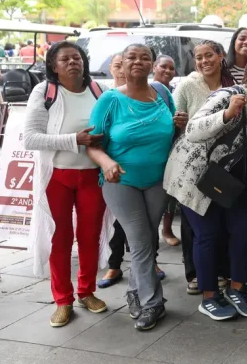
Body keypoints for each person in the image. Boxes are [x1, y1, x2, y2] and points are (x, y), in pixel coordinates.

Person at [164, 52, 247, 321]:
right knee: (208, 234)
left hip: (232, 184)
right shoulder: (228, 95)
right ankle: (209, 296)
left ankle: (238, 289)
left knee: (245, 229)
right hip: (196, 177)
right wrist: (226, 114)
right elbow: (193, 130)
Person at [86, 43, 180, 331]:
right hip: (120, 180)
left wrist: (180, 124)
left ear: (152, 65)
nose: (138, 62)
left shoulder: (162, 95)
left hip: (158, 180)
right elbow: (92, 144)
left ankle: (135, 291)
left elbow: (172, 131)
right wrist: (105, 162)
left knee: (148, 239)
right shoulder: (110, 100)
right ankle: (153, 303)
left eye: (144, 58)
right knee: (140, 240)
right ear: (122, 64)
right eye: (131, 57)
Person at [24, 42, 111, 328]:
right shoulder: (45, 92)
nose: (74, 62)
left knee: (89, 236)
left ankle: (87, 292)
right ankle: (63, 300)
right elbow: (31, 138)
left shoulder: (99, 91)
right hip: (57, 177)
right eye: (66, 59)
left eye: (77, 57)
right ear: (53, 65)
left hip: (91, 177)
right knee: (58, 238)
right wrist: (76, 140)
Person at [173, 41, 236, 294]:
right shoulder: (187, 85)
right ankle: (195, 274)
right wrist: (179, 121)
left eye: (209, 55)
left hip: (223, 164)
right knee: (193, 226)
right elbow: (176, 121)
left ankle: (219, 270)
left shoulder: (231, 87)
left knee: (217, 222)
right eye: (198, 57)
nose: (203, 61)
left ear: (221, 56)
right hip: (191, 164)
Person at [98, 52, 130, 289]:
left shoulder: (146, 94)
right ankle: (114, 264)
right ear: (111, 68)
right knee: (115, 221)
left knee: (142, 222)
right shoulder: (103, 95)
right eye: (117, 65)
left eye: (124, 65)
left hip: (139, 171)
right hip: (108, 168)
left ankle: (151, 262)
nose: (121, 70)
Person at [153, 54, 180, 247]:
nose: (167, 71)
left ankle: (167, 229)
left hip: (172, 149)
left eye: (171, 68)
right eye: (163, 67)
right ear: (154, 67)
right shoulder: (146, 90)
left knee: (170, 194)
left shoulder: (175, 92)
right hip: (152, 152)